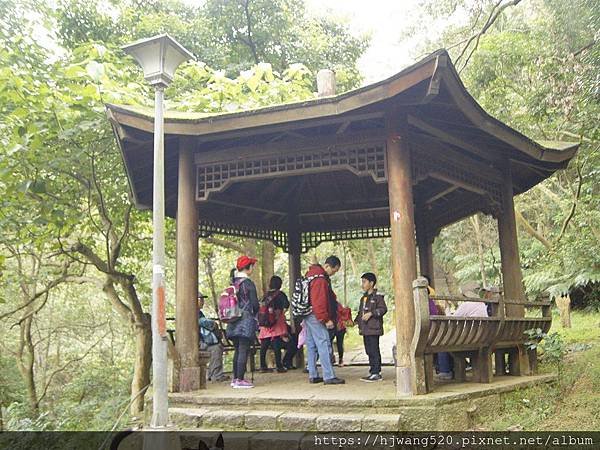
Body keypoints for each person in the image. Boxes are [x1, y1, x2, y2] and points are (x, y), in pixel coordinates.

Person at [303, 255, 345, 385]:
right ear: (327, 266)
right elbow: (319, 302)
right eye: (334, 270)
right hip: (317, 315)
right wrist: (325, 319)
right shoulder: (320, 279)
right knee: (324, 342)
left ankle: (313, 374)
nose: (334, 273)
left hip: (307, 314)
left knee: (311, 344)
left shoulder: (310, 275)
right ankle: (329, 375)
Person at [437, 282, 488, 380]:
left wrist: (447, 309)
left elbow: (453, 319)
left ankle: (445, 371)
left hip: (468, 339)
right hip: (480, 337)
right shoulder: (481, 304)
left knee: (441, 341)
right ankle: (465, 364)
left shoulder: (466, 304)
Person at [226, 255, 260, 389]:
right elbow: (255, 304)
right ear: (248, 268)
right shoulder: (248, 283)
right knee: (243, 349)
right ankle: (240, 379)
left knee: (237, 349)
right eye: (252, 266)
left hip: (232, 319)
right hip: (245, 320)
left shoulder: (234, 283)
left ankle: (235, 378)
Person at [355, 272, 387, 382]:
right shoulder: (363, 298)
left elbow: (383, 309)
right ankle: (372, 371)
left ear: (371, 283)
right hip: (365, 329)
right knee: (368, 350)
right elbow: (360, 312)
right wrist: (355, 321)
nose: (362, 284)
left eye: (364, 282)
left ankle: (376, 372)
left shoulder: (378, 297)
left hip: (373, 328)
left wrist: (372, 313)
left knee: (374, 350)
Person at [258, 275, 290, 373]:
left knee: (264, 344)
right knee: (276, 343)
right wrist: (280, 314)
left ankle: (263, 366)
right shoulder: (280, 294)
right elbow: (286, 305)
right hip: (276, 320)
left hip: (265, 322)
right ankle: (279, 366)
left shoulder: (265, 295)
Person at [198, 293, 229, 383]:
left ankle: (212, 374)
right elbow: (201, 322)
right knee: (216, 348)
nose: (202, 302)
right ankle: (216, 375)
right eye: (201, 300)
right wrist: (213, 324)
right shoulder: (192, 312)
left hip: (201, 341)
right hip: (198, 343)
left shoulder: (199, 313)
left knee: (216, 347)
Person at [330, 301, 352, 366]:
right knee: (340, 343)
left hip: (333, 326)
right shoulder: (338, 304)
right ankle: (340, 360)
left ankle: (331, 358)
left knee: (328, 343)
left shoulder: (329, 304)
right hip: (341, 327)